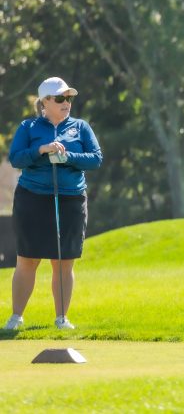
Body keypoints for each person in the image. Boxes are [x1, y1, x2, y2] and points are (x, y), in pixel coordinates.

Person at [3, 77, 102, 331]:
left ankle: (61, 318)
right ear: (44, 102)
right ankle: (16, 317)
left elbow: (95, 159)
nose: (66, 103)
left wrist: (68, 156)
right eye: (59, 98)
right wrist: (42, 150)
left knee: (63, 260)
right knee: (27, 258)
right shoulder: (29, 127)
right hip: (33, 197)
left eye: (68, 98)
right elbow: (16, 158)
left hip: (71, 198)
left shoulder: (80, 127)